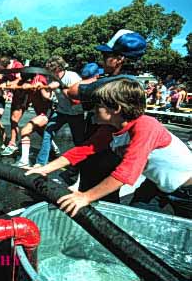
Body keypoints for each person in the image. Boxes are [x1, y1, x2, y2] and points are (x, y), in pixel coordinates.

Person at [27, 79, 192, 219]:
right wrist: (44, 169)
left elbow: (126, 173)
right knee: (136, 221)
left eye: (98, 105)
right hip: (157, 185)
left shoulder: (146, 126)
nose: (92, 109)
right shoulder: (110, 128)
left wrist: (86, 197)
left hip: (186, 190)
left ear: (116, 108)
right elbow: (82, 150)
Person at [65, 29, 148, 202]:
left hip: (102, 147)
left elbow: (72, 91)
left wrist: (96, 79)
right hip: (113, 144)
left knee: (94, 191)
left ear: (119, 59)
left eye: (106, 56)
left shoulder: (110, 83)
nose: (102, 60)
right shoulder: (133, 83)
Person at [33, 56, 85, 168]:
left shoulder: (73, 77)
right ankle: (41, 163)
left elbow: (76, 100)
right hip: (61, 111)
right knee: (47, 133)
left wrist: (61, 86)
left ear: (58, 69)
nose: (49, 73)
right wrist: (42, 87)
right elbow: (47, 97)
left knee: (79, 141)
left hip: (76, 113)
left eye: (51, 70)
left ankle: (80, 166)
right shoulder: (51, 78)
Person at [12, 69, 52, 168]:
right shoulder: (27, 82)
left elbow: (48, 97)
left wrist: (41, 87)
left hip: (49, 112)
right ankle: (55, 149)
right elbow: (20, 93)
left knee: (25, 130)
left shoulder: (40, 79)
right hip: (41, 113)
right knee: (41, 131)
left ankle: (24, 161)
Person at [0, 56, 26, 156]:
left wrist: (8, 84)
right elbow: (4, 78)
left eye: (2, 69)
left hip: (25, 93)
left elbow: (20, 79)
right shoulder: (7, 70)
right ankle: (51, 144)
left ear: (7, 65)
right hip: (17, 94)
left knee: (14, 119)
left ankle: (13, 144)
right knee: (12, 119)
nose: (1, 71)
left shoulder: (18, 66)